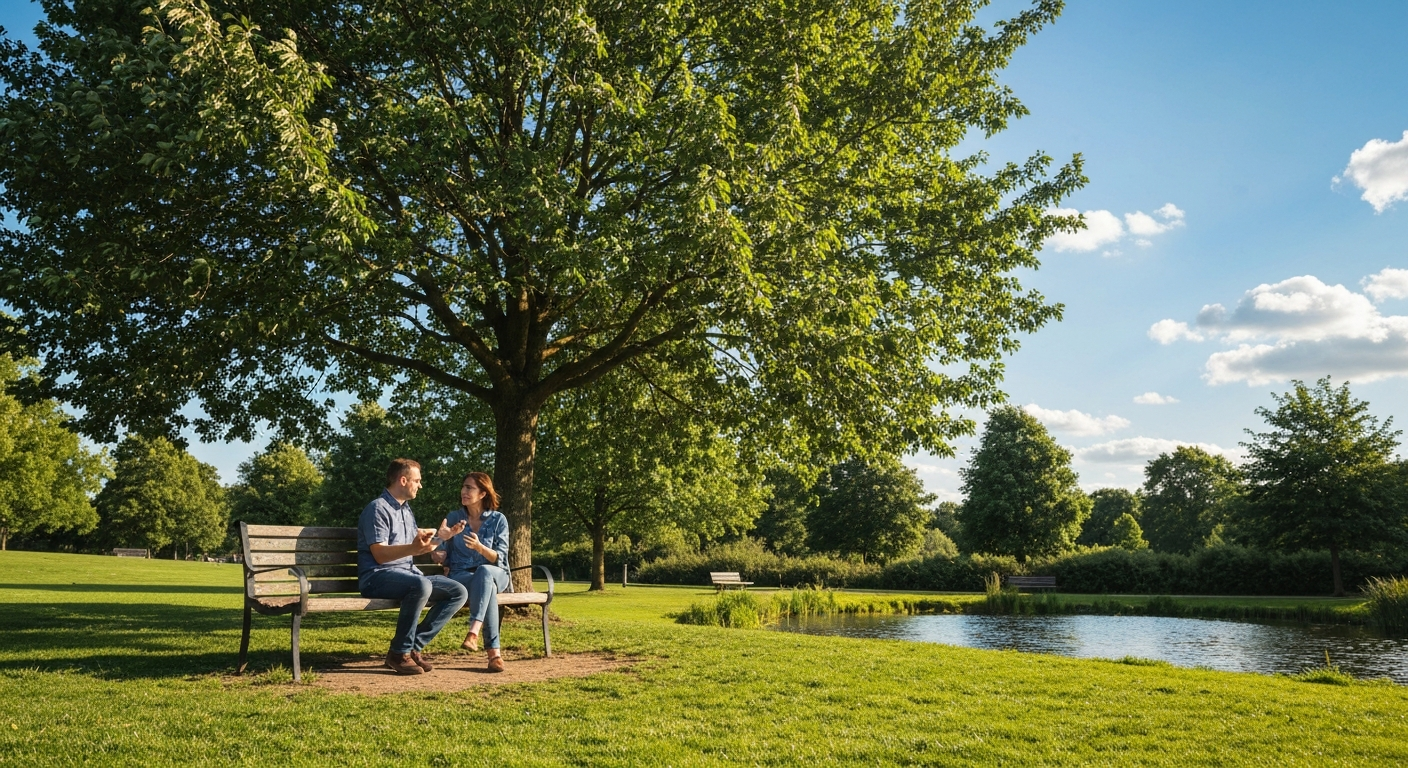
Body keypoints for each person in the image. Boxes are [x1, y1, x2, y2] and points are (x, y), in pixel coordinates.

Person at [357, 458, 469, 675]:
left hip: (406, 575)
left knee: (458, 591)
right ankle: (399, 653)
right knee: (421, 585)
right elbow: (379, 555)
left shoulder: (406, 511)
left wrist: (442, 538)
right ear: (403, 480)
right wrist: (412, 548)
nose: (420, 485)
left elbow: (420, 548)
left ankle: (413, 646)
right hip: (377, 577)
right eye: (417, 481)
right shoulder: (377, 509)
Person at [438, 472, 511, 672]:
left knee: (485, 573)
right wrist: (439, 547)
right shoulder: (454, 518)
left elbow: (500, 558)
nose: (464, 491)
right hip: (462, 576)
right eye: (463, 487)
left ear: (483, 493)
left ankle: (474, 630)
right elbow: (438, 553)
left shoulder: (498, 520)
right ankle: (494, 654)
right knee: (486, 589)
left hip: (497, 574)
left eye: (469, 488)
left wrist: (480, 548)